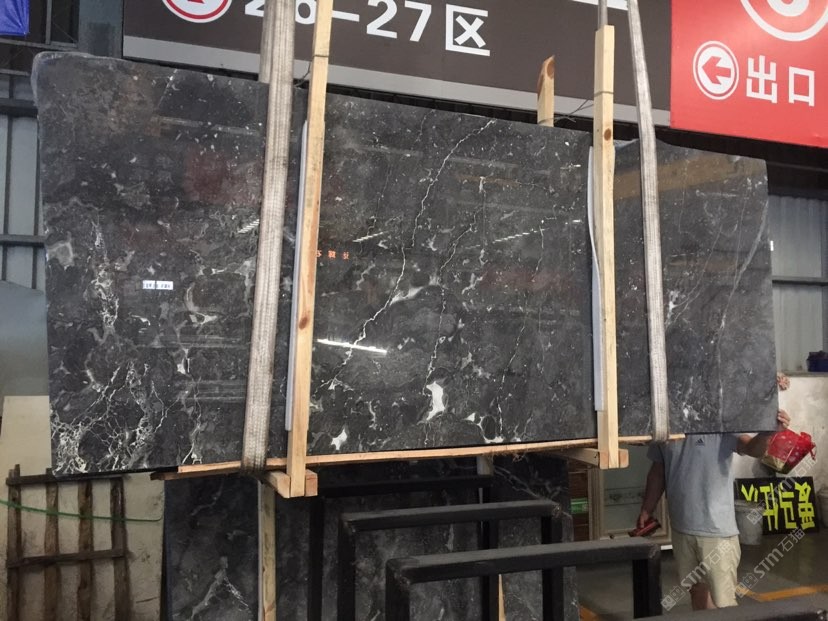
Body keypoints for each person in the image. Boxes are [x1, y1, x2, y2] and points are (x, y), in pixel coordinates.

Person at [637, 407, 791, 610]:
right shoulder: (667, 425)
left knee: (724, 602)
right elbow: (658, 471)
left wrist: (765, 434)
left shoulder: (720, 421)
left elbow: (751, 448)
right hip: (681, 527)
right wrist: (647, 509)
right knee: (697, 591)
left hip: (717, 532)